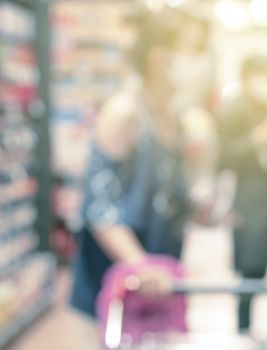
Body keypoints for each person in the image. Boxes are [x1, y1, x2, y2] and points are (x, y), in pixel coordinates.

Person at [70, 13, 191, 317]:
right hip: (119, 277)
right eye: (192, 52)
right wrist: (140, 265)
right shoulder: (125, 113)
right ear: (159, 58)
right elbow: (101, 208)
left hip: (159, 271)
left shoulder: (170, 116)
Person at [217, 57, 267, 330]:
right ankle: (242, 326)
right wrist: (257, 139)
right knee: (248, 264)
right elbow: (225, 156)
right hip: (246, 195)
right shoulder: (233, 110)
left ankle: (248, 322)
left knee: (261, 265)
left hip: (265, 194)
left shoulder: (265, 107)